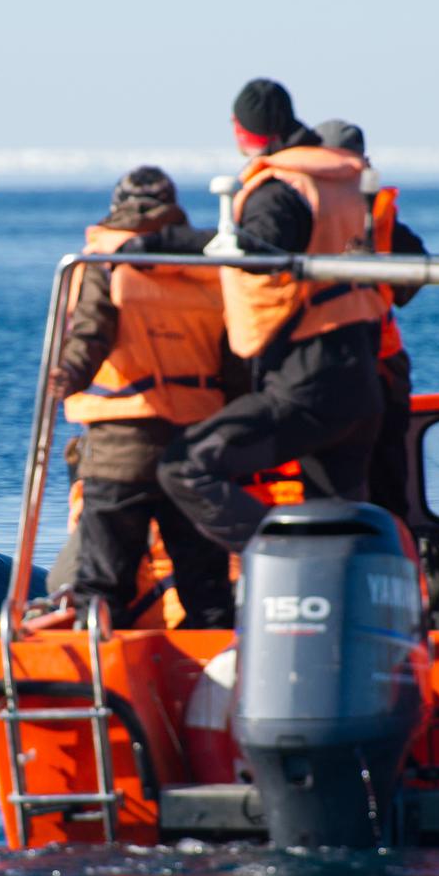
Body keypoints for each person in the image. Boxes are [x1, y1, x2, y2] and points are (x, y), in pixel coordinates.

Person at [147, 79, 388, 552]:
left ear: (244, 131)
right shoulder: (340, 182)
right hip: (361, 378)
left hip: (307, 383)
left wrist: (161, 244)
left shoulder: (280, 189)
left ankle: (281, 556)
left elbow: (256, 248)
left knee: (185, 467)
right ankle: (327, 582)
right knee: (336, 519)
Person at [50, 166, 235, 628]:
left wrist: (67, 376)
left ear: (118, 206)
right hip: (197, 443)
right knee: (206, 586)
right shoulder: (208, 263)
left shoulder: (103, 261)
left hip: (121, 445)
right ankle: (217, 660)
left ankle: (99, 662)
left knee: (103, 583)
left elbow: (90, 334)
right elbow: (235, 357)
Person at [315, 118, 428, 521]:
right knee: (387, 480)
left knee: (333, 482)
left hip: (331, 361)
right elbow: (413, 278)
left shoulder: (306, 205)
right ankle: (396, 549)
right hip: (384, 360)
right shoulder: (381, 214)